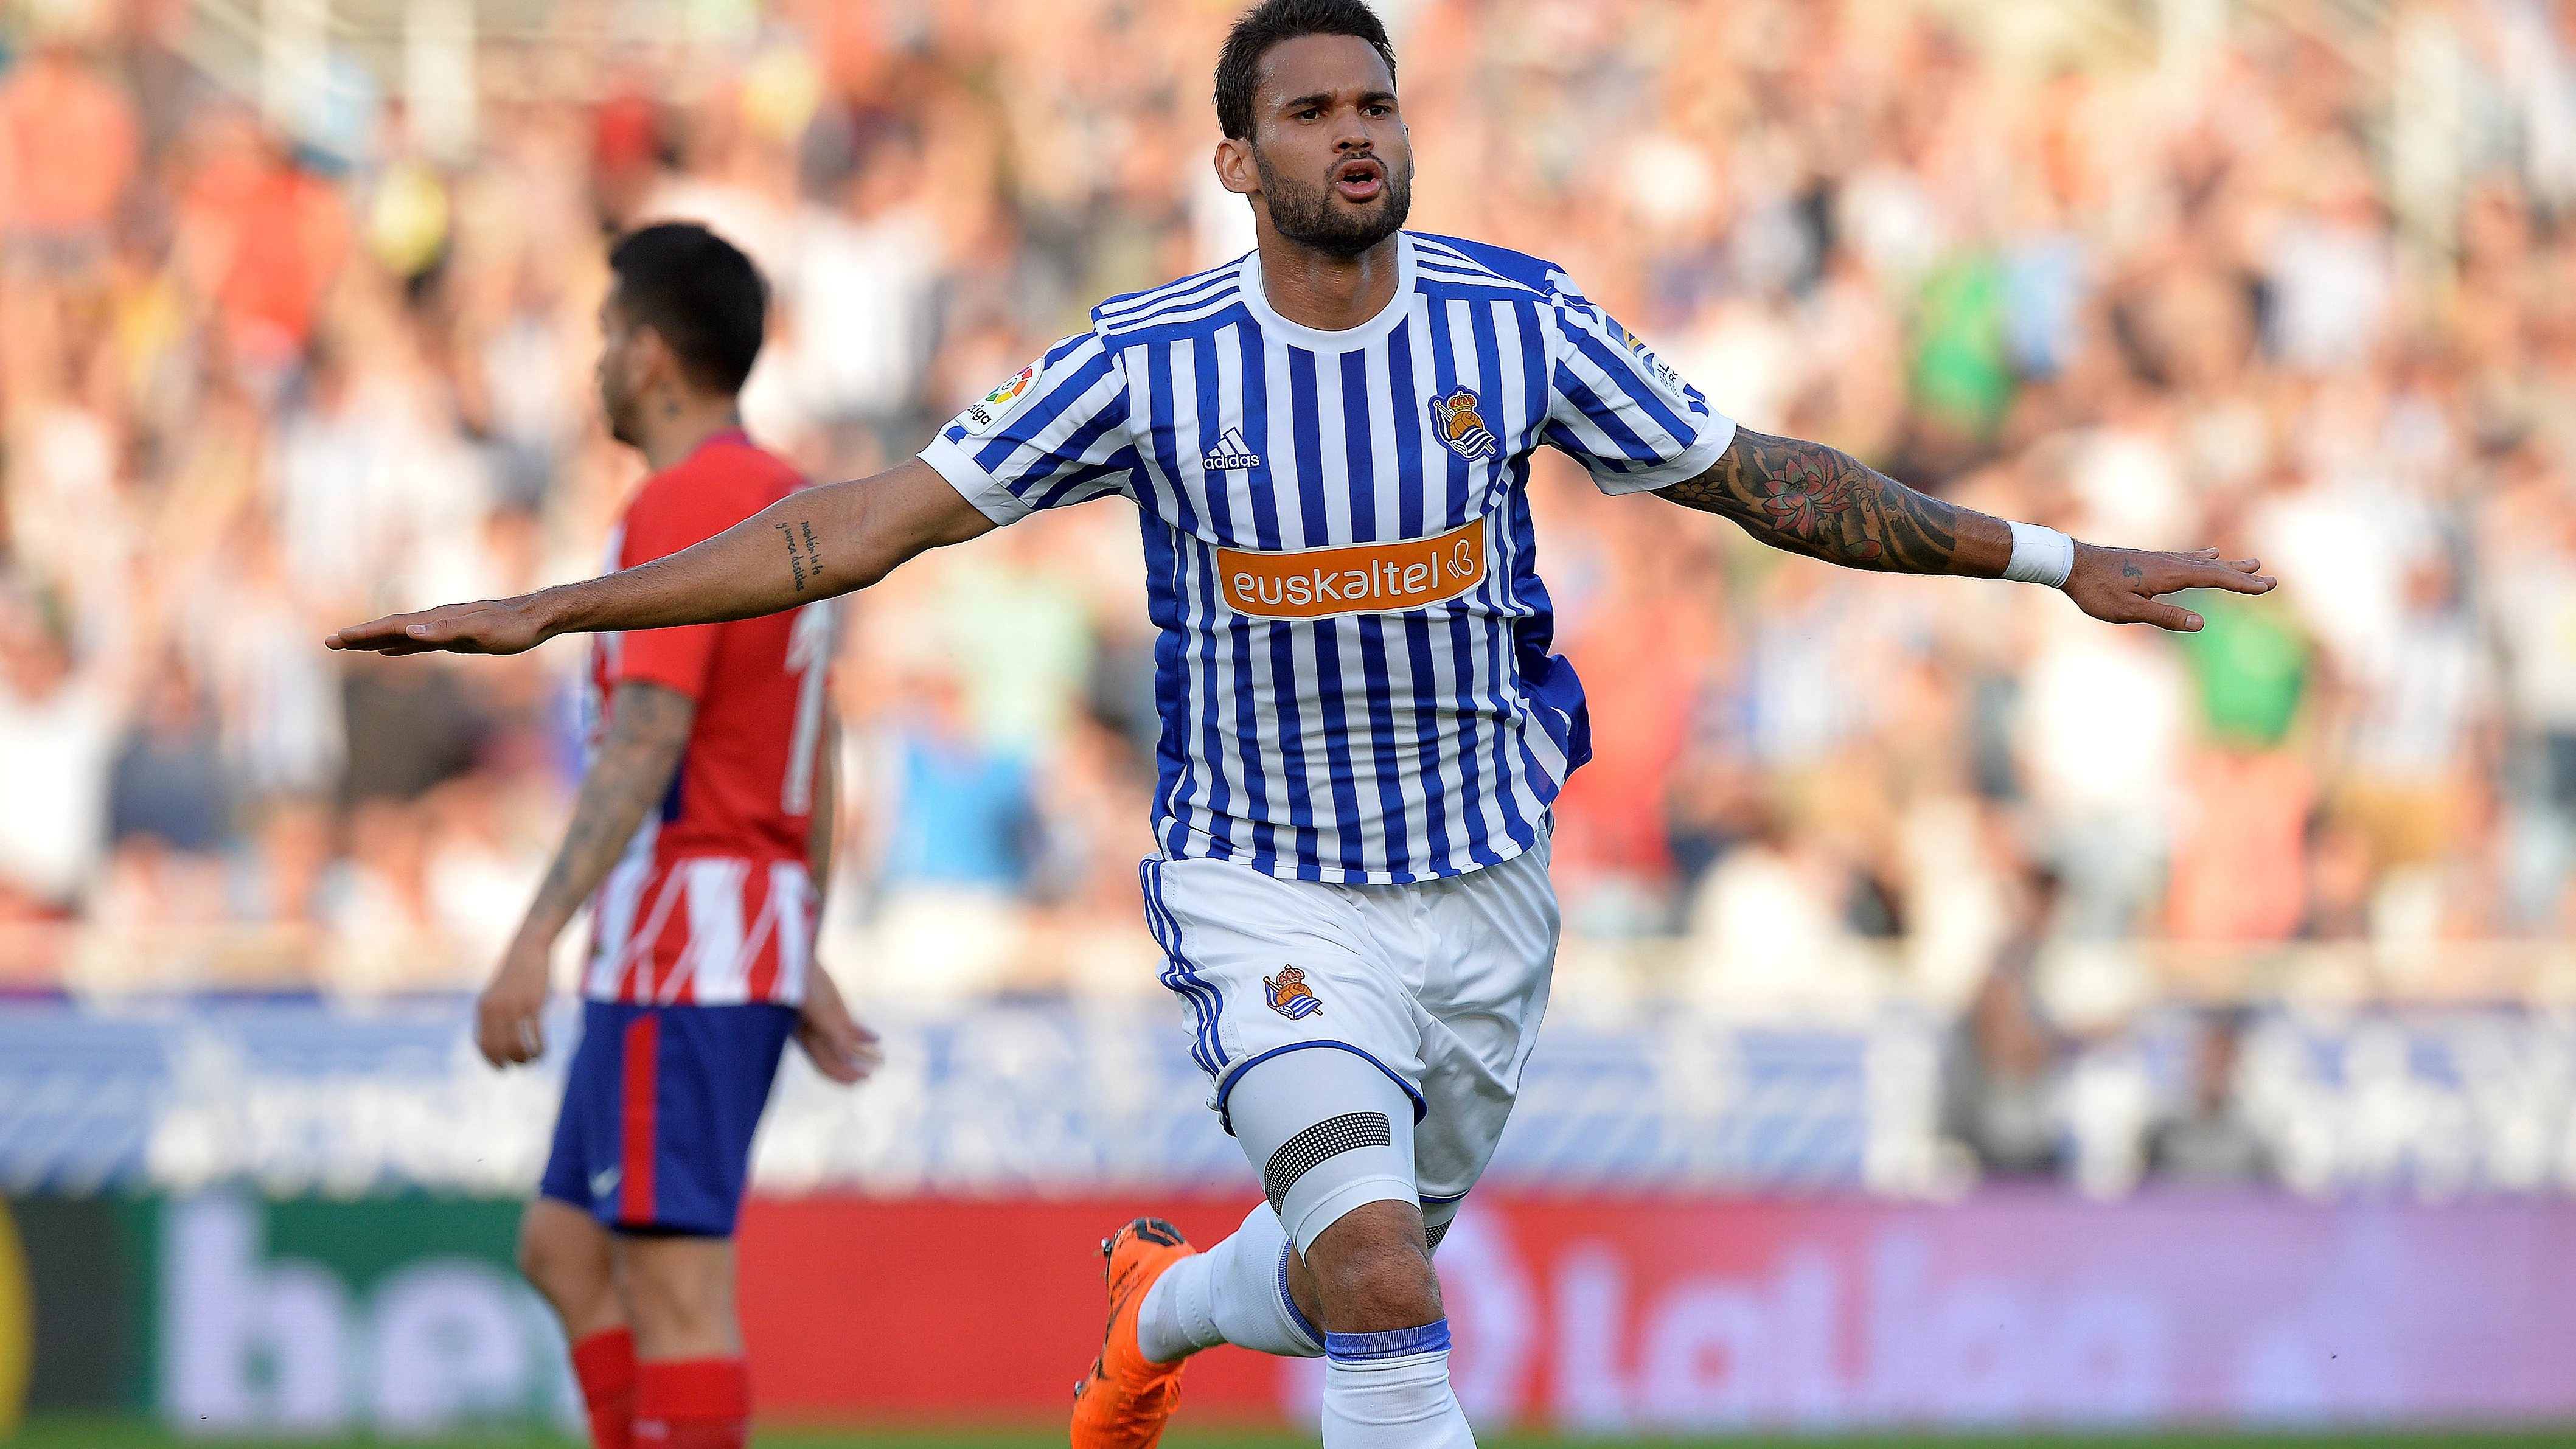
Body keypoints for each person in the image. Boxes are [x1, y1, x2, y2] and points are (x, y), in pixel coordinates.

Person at [327, 5, 2274, 1444]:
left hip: (1485, 891)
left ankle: (1158, 1304)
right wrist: (561, 602)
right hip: (1267, 889)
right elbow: (860, 524)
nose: (1356, 136)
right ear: (1237, 161)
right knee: (1378, 1279)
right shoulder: (1144, 362)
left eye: (1376, 103)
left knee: (1352, 1253)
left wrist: (2052, 555)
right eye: (1310, 113)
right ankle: (1202, 1299)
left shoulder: (1518, 323)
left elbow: (1767, 481)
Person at [470, 222, 882, 1449]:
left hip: (682, 933)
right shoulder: (788, 498)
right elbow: (816, 742)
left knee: (675, 1294)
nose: (593, 361)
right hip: (727, 926)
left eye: (604, 335)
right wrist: (797, 938)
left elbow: (649, 737)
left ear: (650, 354)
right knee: (562, 1248)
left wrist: (532, 933)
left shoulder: (683, 502)